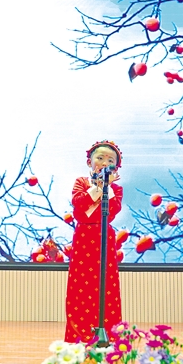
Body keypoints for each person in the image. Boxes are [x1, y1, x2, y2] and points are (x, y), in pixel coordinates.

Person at [64, 140, 124, 343]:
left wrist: (106, 187)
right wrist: (98, 188)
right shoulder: (81, 183)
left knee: (106, 285)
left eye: (110, 160)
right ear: (89, 162)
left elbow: (113, 210)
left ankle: (108, 334)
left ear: (116, 167)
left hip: (104, 236)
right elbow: (79, 204)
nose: (105, 163)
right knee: (80, 285)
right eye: (100, 158)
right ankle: (79, 334)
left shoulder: (117, 189)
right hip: (83, 236)